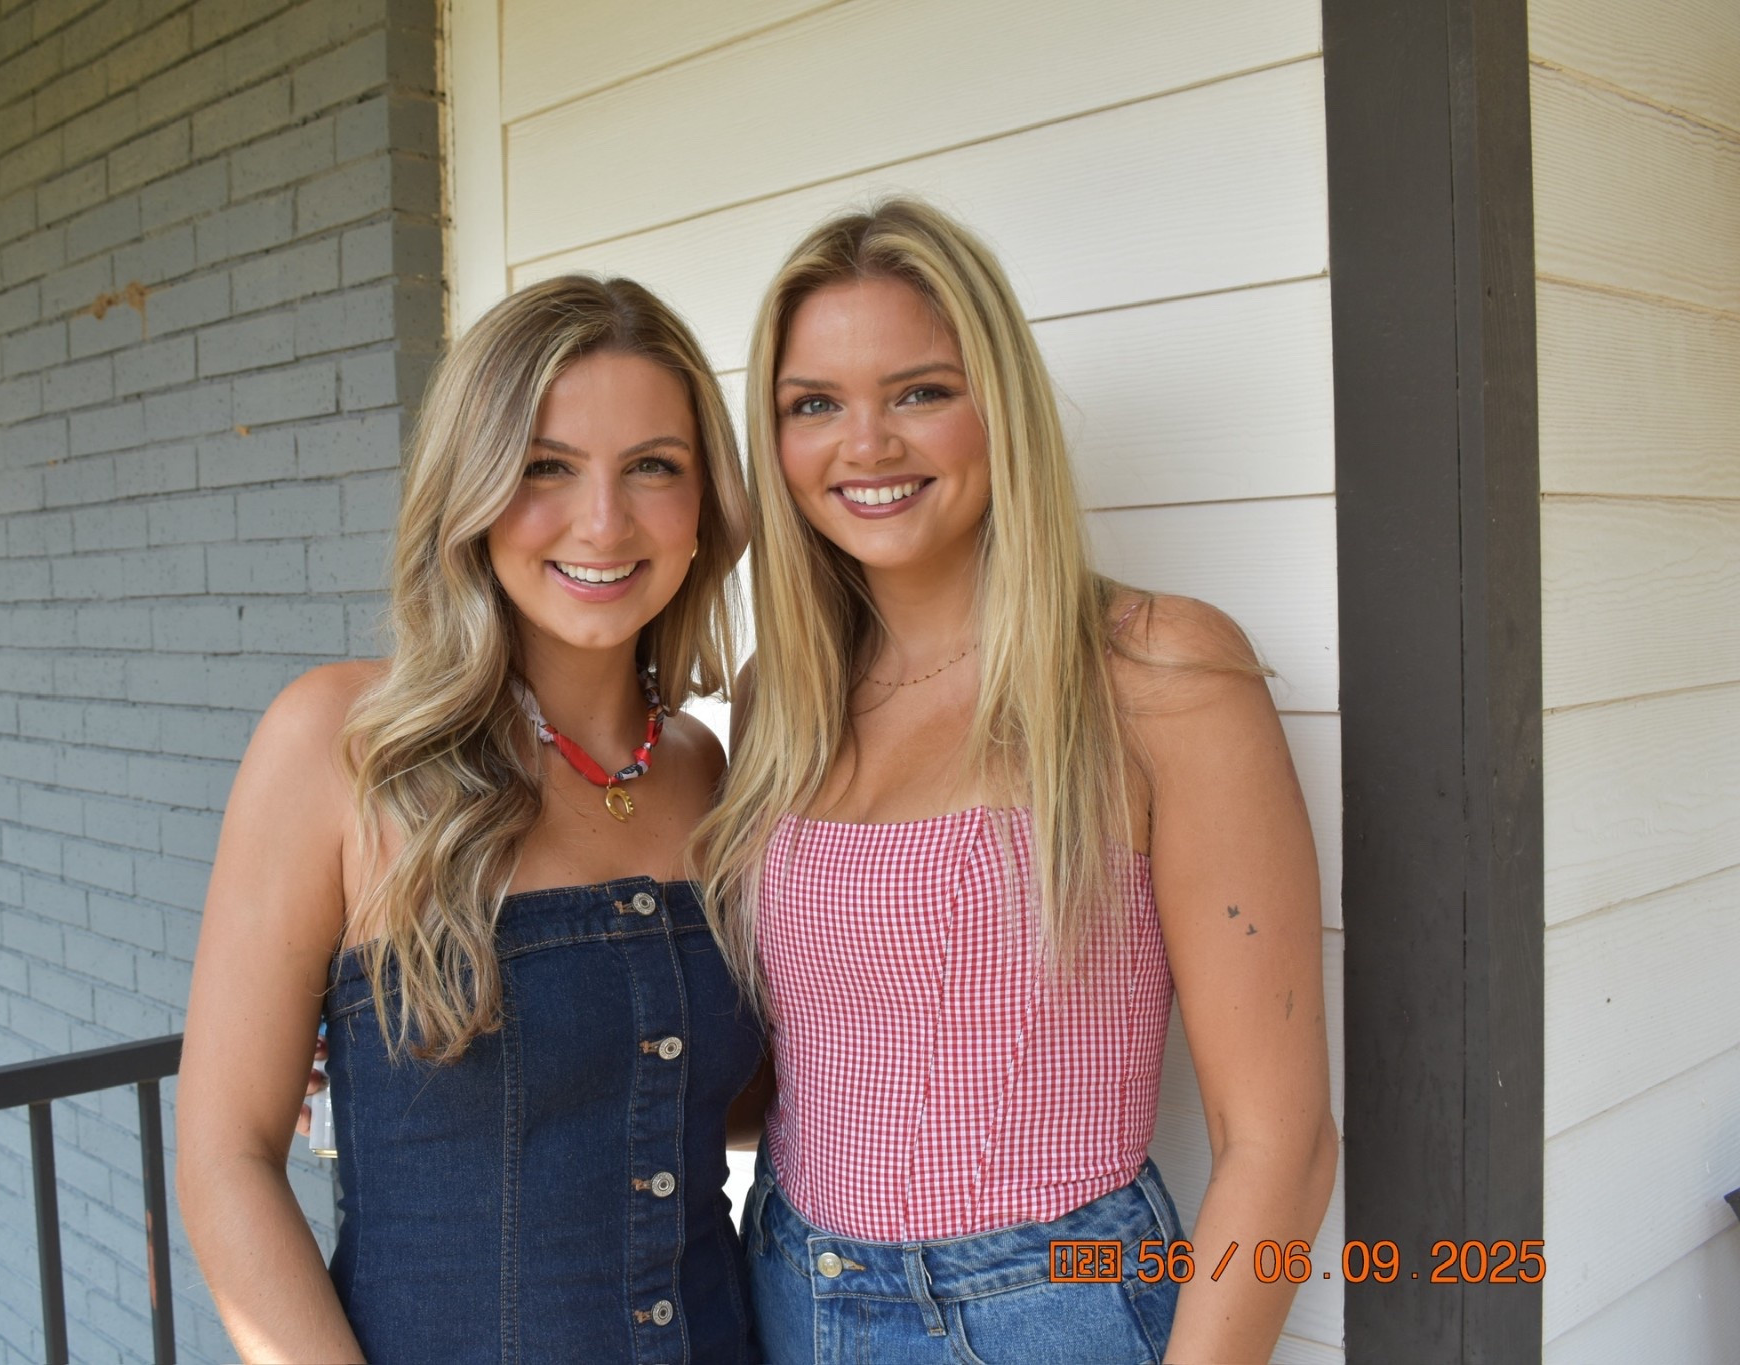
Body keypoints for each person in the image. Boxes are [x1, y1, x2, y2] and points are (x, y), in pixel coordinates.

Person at [691, 199, 1337, 1363]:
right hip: (785, 1288)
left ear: (1001, 406)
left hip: (1053, 1310)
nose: (865, 444)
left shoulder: (1152, 672)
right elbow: (791, 1056)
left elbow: (1283, 1146)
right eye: (813, 405)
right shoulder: (773, 699)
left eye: (920, 391)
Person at [176, 274, 765, 1363]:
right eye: (546, 466)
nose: (603, 520)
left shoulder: (700, 764)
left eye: (653, 467)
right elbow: (226, 1160)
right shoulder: (337, 745)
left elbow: (693, 1098)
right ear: (472, 486)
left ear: (703, 508)